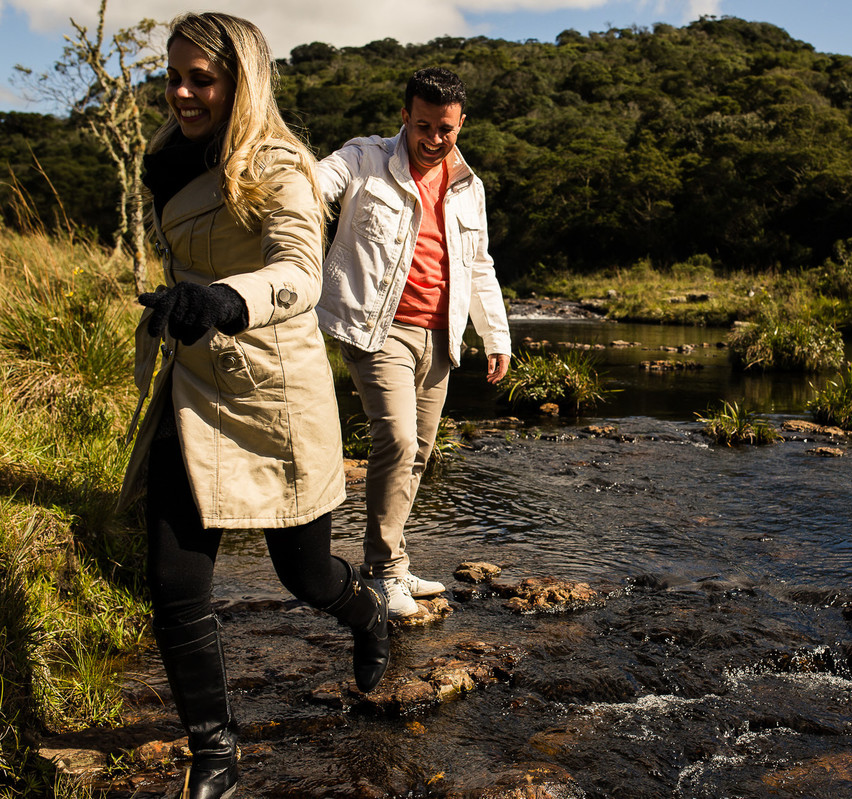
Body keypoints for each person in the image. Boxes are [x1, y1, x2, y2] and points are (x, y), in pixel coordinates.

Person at [117, 12, 389, 799]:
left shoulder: (278, 165)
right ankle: (215, 754)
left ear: (242, 79)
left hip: (274, 390)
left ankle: (364, 607)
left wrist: (225, 300)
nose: (182, 92)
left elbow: (303, 272)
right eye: (174, 75)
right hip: (193, 385)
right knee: (173, 579)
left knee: (302, 574)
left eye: (201, 78)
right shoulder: (167, 159)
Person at [316, 67, 511, 617]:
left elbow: (480, 265)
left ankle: (395, 564)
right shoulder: (363, 159)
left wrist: (495, 336)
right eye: (422, 125)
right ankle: (380, 574)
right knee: (398, 441)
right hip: (377, 328)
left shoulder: (468, 186)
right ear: (405, 116)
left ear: (461, 123)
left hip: (440, 335)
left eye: (444, 129)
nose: (433, 139)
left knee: (420, 453)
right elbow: (316, 183)